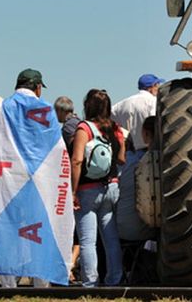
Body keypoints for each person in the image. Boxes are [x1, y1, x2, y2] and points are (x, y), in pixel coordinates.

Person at [0, 68, 74, 288]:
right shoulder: (46, 110)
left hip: (6, 180)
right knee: (41, 231)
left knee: (7, 230)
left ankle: (8, 284)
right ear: (37, 87)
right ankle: (41, 283)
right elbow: (56, 150)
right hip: (39, 182)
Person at [71, 89, 125, 287]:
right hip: (111, 188)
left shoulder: (84, 128)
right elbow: (121, 159)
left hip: (87, 190)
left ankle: (90, 282)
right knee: (110, 238)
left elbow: (77, 160)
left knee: (87, 241)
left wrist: (73, 191)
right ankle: (114, 279)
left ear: (87, 106)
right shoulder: (115, 128)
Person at [54, 95, 82, 282]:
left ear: (62, 111)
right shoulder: (81, 123)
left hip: (75, 181)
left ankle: (68, 268)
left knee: (73, 230)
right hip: (90, 181)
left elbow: (70, 157)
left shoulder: (68, 128)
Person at [111, 74, 164, 152]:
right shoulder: (153, 101)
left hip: (128, 153)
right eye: (157, 85)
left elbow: (110, 120)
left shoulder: (121, 105)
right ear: (153, 86)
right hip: (148, 151)